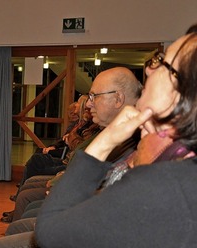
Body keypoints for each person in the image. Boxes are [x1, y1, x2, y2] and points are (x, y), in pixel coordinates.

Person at [36, 32, 197, 247]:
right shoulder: (180, 161)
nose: (149, 68)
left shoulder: (165, 183)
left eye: (163, 62)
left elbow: (49, 232)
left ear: (182, 93)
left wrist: (106, 140)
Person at [0, 67, 143, 247]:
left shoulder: (135, 142)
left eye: (94, 96)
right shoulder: (119, 136)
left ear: (118, 98)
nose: (88, 104)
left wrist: (62, 193)